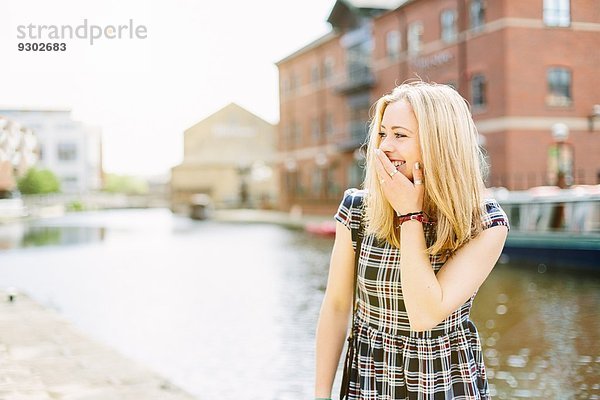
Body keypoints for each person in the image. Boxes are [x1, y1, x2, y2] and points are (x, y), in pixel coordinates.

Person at [314, 81, 509, 400]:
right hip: (370, 382)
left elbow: (424, 315)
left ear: (439, 143)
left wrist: (409, 217)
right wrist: (320, 394)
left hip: (443, 382)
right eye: (382, 134)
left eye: (400, 135)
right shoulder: (357, 209)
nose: (385, 146)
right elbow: (336, 306)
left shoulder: (485, 222)